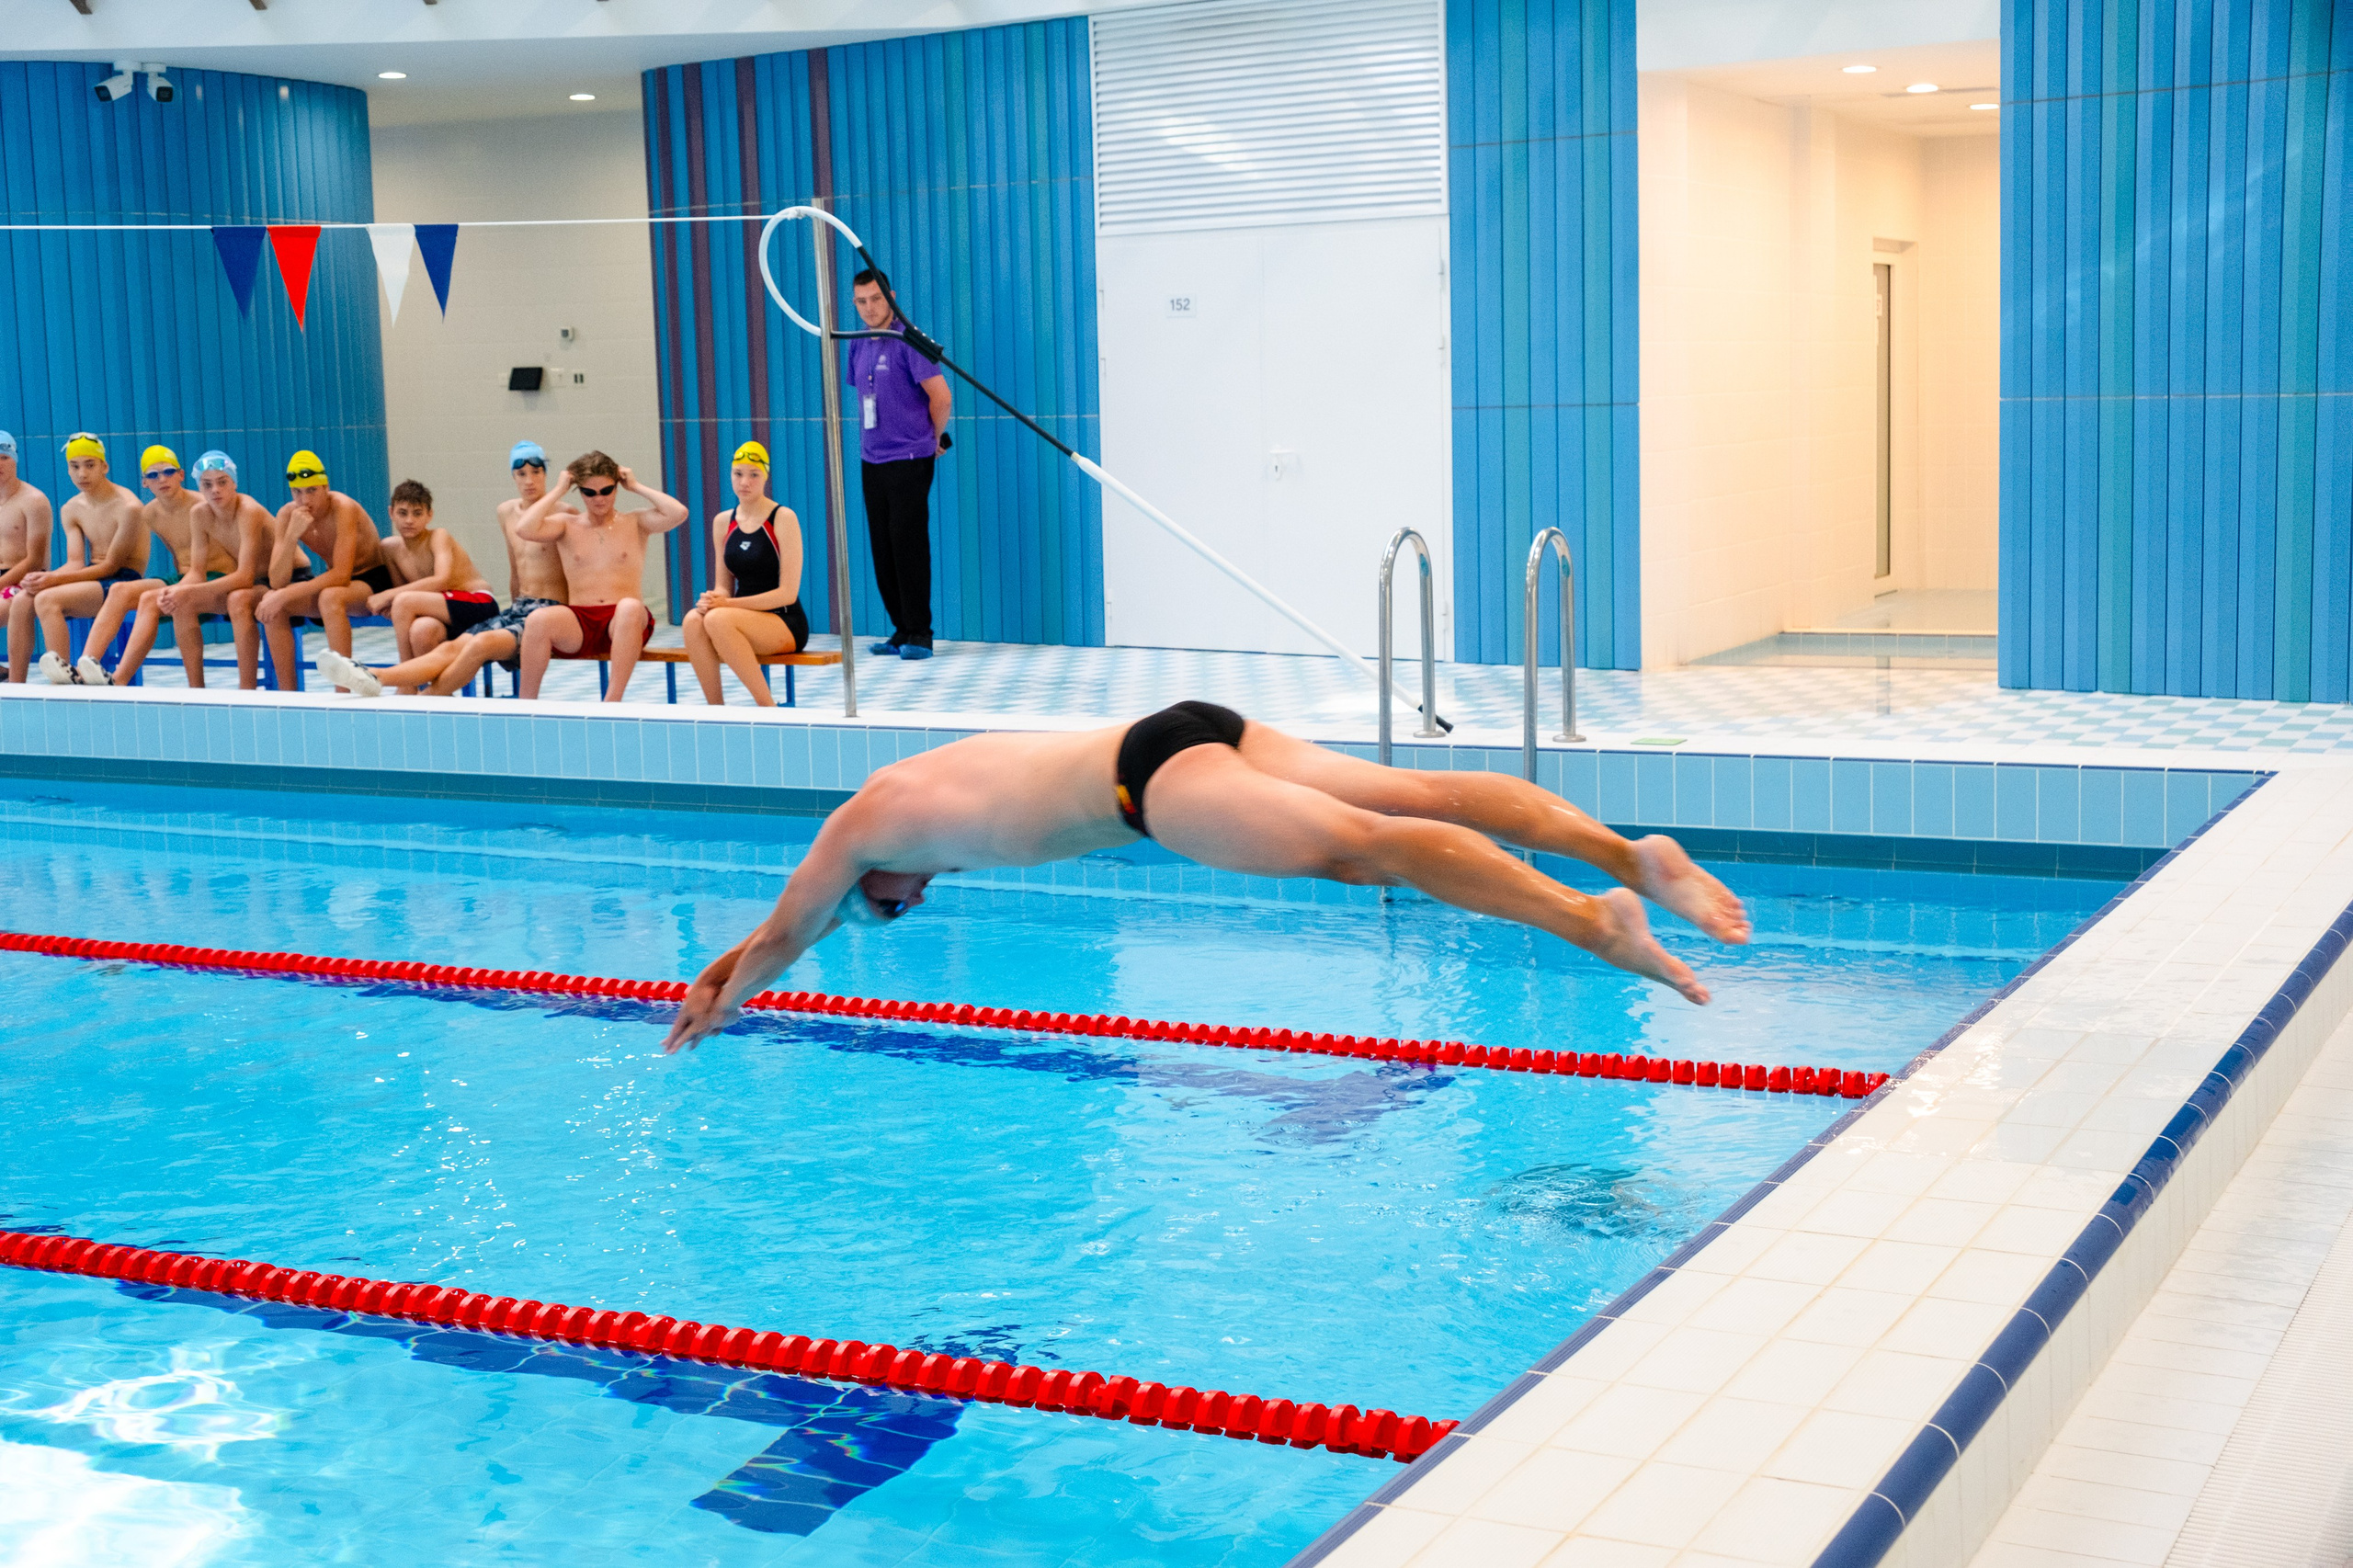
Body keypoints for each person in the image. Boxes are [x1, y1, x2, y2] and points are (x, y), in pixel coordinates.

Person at [662, 701, 1755, 1051]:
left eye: (896, 908)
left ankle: (1593, 916)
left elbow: (792, 929)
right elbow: (790, 928)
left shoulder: (859, 833)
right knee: (1415, 792)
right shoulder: (906, 790)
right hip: (1184, 725)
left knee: (1360, 846)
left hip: (1149, 786)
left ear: (874, 883)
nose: (917, 899)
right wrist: (734, 963)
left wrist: (723, 1000)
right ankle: (1630, 854)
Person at [316, 441, 576, 699]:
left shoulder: (565, 514)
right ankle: (375, 676)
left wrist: (577, 620)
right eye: (521, 473)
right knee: (426, 633)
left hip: (538, 611)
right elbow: (516, 569)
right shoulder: (506, 511)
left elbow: (577, 570)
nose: (529, 480)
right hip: (516, 610)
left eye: (536, 472)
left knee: (467, 639)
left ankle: (412, 693)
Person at [512, 450, 687, 702]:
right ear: (579, 491)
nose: (599, 499)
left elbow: (679, 513)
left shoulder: (635, 522)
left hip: (625, 622)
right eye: (590, 492)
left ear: (616, 487)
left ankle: (611, 703)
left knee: (629, 607)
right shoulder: (566, 524)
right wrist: (559, 490)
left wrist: (635, 486)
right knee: (538, 619)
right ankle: (526, 706)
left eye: (606, 490)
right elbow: (523, 528)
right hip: (581, 621)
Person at [847, 268, 950, 661]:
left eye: (877, 299)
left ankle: (920, 633)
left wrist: (932, 439)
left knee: (908, 544)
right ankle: (901, 628)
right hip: (872, 458)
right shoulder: (857, 342)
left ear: (890, 296)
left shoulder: (909, 339)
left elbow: (941, 397)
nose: (870, 308)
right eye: (862, 301)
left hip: (909, 458)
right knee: (883, 546)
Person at [68, 447, 231, 686]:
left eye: (168, 472)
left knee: (149, 599)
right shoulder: (151, 514)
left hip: (217, 578)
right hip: (186, 576)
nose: (162, 479)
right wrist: (176, 585)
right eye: (153, 475)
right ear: (144, 482)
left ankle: (120, 679)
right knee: (119, 590)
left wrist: (179, 590)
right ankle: (84, 666)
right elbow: (176, 554)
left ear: (181, 475)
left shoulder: (203, 505)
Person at [124, 451, 276, 689]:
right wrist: (176, 591)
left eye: (222, 482)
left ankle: (247, 689)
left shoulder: (248, 510)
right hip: (248, 582)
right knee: (181, 601)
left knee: (235, 599)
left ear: (234, 483)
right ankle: (196, 689)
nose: (215, 490)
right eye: (207, 484)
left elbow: (245, 576)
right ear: (199, 487)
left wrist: (188, 591)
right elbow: (195, 572)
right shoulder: (200, 513)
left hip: (276, 581)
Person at [12, 435, 149, 686]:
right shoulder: (71, 508)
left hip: (123, 579)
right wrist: (44, 578)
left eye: (90, 465)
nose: (82, 473)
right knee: (22, 599)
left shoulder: (128, 506)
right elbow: (75, 562)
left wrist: (53, 580)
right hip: (92, 577)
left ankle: (65, 679)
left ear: (104, 466)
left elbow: (112, 566)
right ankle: (16, 684)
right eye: (74, 466)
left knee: (47, 599)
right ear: (68, 469)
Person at [681, 440, 808, 707]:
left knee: (718, 619)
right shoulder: (722, 522)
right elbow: (723, 586)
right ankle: (716, 709)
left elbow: (787, 594)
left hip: (784, 620)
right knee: (693, 620)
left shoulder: (783, 518)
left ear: (765, 477)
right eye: (738, 474)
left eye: (754, 475)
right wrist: (712, 599)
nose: (744, 482)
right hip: (736, 616)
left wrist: (726, 605)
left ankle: (767, 707)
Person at [250, 450, 390, 692]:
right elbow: (277, 581)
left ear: (326, 487)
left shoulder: (343, 508)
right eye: (297, 492)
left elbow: (341, 575)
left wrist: (285, 594)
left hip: (371, 579)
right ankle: (288, 695)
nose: (304, 500)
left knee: (329, 597)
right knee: (273, 603)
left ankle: (343, 691)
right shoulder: (287, 515)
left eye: (312, 490)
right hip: (334, 582)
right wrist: (291, 536)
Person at [369, 480, 494, 658]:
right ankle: (425, 677)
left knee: (403, 600)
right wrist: (393, 606)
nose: (409, 520)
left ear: (429, 515)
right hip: (441, 611)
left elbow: (441, 581)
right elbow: (403, 590)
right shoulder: (389, 548)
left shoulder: (438, 536)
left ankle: (406, 673)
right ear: (391, 513)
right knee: (422, 631)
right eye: (402, 513)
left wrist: (387, 596)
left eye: (417, 513)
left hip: (478, 603)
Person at [0, 432, 55, 680]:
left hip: (25, 580)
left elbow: (35, 560)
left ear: (15, 459)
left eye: (4, 458)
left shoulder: (34, 501)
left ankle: (16, 682)